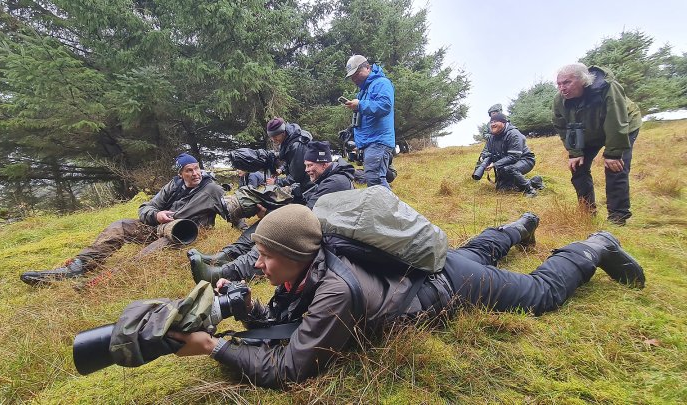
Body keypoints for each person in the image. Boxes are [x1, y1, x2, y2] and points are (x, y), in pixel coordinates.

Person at [168, 204, 644, 388]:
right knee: (474, 252)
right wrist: (250, 308)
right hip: (435, 268)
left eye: (267, 257)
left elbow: (291, 368)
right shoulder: (306, 266)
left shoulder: (335, 289)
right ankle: (518, 227)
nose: (259, 265)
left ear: (296, 253)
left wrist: (217, 346)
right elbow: (289, 315)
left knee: (539, 294)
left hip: (449, 287)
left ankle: (593, 245)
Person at [20, 153, 228, 285]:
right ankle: (77, 267)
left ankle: (103, 281)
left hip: (182, 235)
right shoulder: (172, 186)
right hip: (159, 227)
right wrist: (156, 215)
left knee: (147, 254)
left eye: (196, 168)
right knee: (120, 226)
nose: (195, 173)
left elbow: (231, 210)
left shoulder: (212, 189)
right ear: (181, 173)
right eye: (189, 170)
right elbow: (146, 207)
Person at [187, 141, 355, 283]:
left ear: (324, 163)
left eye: (310, 165)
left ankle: (228, 273)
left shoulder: (336, 182)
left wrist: (274, 215)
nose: (306, 170)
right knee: (268, 221)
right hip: (317, 227)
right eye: (305, 165)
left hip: (329, 238)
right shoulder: (326, 178)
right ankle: (225, 256)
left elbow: (306, 217)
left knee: (277, 234)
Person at [553, 63, 642, 225]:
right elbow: (564, 126)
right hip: (590, 131)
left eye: (567, 82)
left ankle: (617, 216)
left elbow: (616, 120)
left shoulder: (607, 88)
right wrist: (575, 152)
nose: (562, 88)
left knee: (615, 167)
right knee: (577, 167)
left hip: (624, 125)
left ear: (583, 80)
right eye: (559, 84)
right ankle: (587, 212)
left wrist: (613, 153)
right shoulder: (560, 100)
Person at [343, 54, 396, 189]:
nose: (354, 79)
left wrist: (359, 105)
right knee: (373, 180)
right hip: (370, 142)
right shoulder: (364, 90)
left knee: (376, 180)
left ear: (367, 68)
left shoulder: (381, 83)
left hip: (378, 140)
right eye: (351, 76)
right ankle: (383, 209)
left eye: (356, 73)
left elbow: (385, 106)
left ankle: (392, 210)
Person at [477, 113, 544, 197]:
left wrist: (495, 164)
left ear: (503, 122)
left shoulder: (514, 134)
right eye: (491, 122)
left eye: (496, 121)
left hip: (525, 159)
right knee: (503, 189)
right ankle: (535, 181)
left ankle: (530, 190)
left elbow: (514, 156)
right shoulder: (492, 137)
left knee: (508, 169)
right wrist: (483, 158)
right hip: (506, 162)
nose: (493, 124)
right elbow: (487, 151)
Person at [264, 117, 313, 191]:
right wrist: (281, 170)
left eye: (275, 136)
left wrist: (276, 182)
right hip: (300, 185)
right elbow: (290, 162)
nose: (273, 140)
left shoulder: (297, 145)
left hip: (308, 187)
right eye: (271, 137)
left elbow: (296, 176)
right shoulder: (288, 141)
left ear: (283, 132)